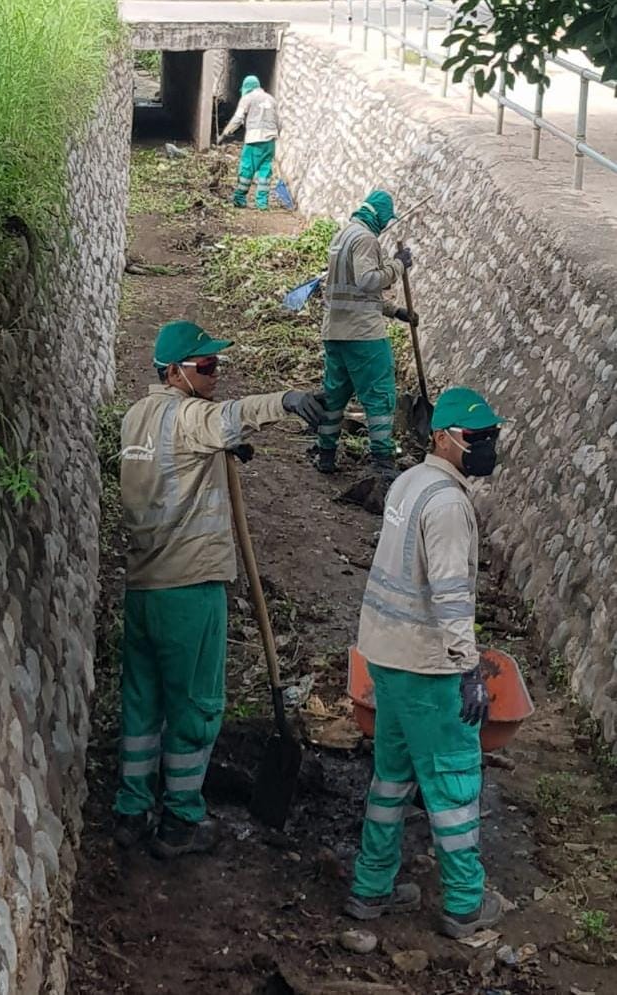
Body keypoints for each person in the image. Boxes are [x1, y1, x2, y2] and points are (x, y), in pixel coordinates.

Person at [114, 319, 325, 858]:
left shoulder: (138, 415)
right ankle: (181, 820)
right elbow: (229, 416)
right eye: (205, 366)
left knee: (142, 703)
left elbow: (184, 454)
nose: (214, 375)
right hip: (190, 588)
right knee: (197, 705)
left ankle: (131, 809)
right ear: (173, 372)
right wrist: (287, 399)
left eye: (215, 365)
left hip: (143, 589)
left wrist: (224, 450)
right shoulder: (190, 416)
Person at [345, 386, 507, 938]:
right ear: (442, 437)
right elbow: (451, 593)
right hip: (427, 665)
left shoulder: (409, 482)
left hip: (386, 655)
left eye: (490, 436)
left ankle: (372, 887)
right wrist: (469, 668)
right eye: (474, 437)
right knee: (455, 780)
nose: (484, 446)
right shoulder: (448, 505)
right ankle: (465, 902)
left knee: (392, 774)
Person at [316, 189, 415, 480]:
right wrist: (397, 265)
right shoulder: (365, 240)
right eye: (385, 221)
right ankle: (383, 461)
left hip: (335, 331)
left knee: (335, 395)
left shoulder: (342, 236)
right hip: (364, 336)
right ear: (379, 217)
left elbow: (351, 292)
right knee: (380, 395)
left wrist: (396, 312)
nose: (384, 227)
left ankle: (326, 454)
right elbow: (368, 281)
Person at [219, 75, 279, 210]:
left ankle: (239, 198)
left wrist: (225, 133)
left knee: (246, 169)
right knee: (265, 170)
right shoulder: (272, 99)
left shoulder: (247, 98)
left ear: (247, 87)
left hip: (253, 140)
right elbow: (278, 121)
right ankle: (262, 203)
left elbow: (238, 118)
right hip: (270, 141)